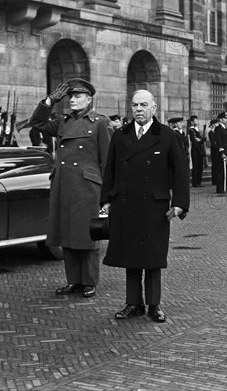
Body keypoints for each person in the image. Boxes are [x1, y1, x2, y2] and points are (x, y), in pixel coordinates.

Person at [100, 89, 190, 323]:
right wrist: (106, 200)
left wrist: (180, 203)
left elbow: (181, 173)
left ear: (153, 108)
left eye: (143, 105)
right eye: (135, 106)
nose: (138, 110)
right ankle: (133, 304)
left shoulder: (168, 135)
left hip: (154, 206)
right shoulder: (120, 135)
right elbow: (110, 170)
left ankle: (154, 305)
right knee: (130, 256)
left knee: (152, 257)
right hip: (125, 204)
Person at [29, 78, 111, 298]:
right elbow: (36, 123)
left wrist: (108, 195)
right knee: (67, 233)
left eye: (77, 96)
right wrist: (48, 101)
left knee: (87, 235)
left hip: (88, 186)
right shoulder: (62, 121)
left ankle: (89, 281)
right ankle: (73, 280)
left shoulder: (100, 123)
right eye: (70, 96)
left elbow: (108, 161)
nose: (72, 99)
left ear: (88, 99)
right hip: (64, 183)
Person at [213, 111, 227, 194]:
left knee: (226, 170)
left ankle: (225, 187)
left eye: (226, 118)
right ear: (220, 119)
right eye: (224, 118)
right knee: (221, 171)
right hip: (222, 151)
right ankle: (220, 188)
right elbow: (219, 141)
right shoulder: (218, 129)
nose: (226, 119)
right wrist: (222, 152)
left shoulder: (225, 128)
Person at [188, 115, 206, 188]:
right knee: (196, 167)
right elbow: (194, 141)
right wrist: (200, 140)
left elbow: (200, 140)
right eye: (195, 121)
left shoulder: (196, 130)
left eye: (196, 121)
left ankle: (199, 181)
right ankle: (195, 183)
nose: (196, 122)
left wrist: (201, 139)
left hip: (200, 150)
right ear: (191, 122)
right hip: (195, 151)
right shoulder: (191, 130)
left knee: (200, 167)